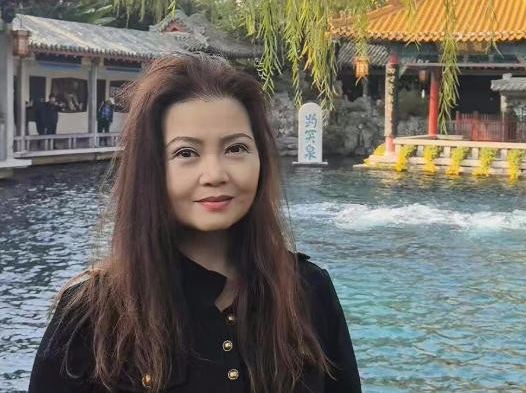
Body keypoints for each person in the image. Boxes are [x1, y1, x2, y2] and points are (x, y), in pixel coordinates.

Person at [28, 53, 361, 393]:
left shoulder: (308, 290)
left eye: (236, 148)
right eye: (186, 153)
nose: (215, 174)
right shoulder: (90, 315)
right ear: (150, 169)